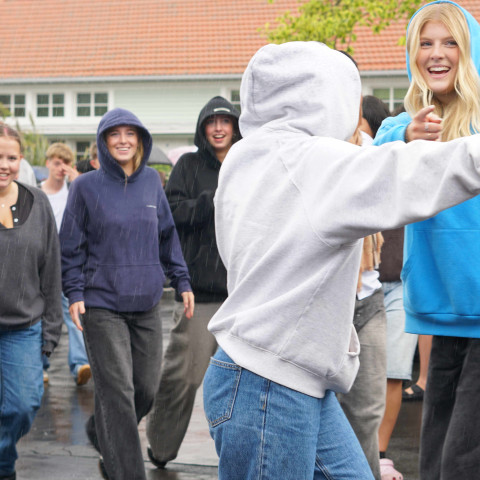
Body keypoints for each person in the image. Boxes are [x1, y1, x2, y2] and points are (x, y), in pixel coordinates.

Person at [203, 40, 480, 480]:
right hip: (270, 388)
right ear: (325, 96)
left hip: (272, 376)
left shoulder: (244, 156)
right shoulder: (316, 163)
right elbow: (414, 172)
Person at [374, 2, 480, 478]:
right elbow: (370, 167)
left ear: (471, 50)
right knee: (436, 458)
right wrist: (407, 136)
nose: (436, 54)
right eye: (425, 42)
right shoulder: (407, 125)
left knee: (461, 461)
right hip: (443, 310)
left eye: (450, 42)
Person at [59, 108, 194, 480]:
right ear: (103, 142)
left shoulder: (152, 181)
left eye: (129, 133)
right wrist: (73, 292)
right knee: (116, 393)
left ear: (139, 140)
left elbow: (166, 236)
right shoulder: (86, 186)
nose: (122, 140)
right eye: (113, 134)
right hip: (101, 304)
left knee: (146, 390)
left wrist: (181, 281)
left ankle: (99, 432)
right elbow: (69, 246)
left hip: (146, 303)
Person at [146, 96, 240, 468]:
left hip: (244, 294)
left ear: (235, 126)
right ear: (203, 128)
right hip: (198, 293)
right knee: (182, 377)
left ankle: (238, 458)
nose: (218, 128)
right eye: (211, 122)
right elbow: (172, 213)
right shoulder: (187, 165)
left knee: (242, 386)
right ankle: (161, 446)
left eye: (225, 121)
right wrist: (214, 199)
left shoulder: (247, 162)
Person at [0, 123, 63, 480]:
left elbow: (51, 268)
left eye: (11, 157)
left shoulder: (36, 202)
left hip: (24, 328)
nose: (4, 165)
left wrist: (51, 331)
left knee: (24, 406)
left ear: (21, 160)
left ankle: (2, 458)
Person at [41, 142, 91, 386]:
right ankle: (40, 365)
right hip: (41, 262)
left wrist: (78, 181)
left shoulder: (74, 191)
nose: (61, 168)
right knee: (40, 315)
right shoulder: (36, 193)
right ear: (48, 163)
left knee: (74, 310)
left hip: (67, 261)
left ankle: (80, 363)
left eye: (66, 163)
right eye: (57, 162)